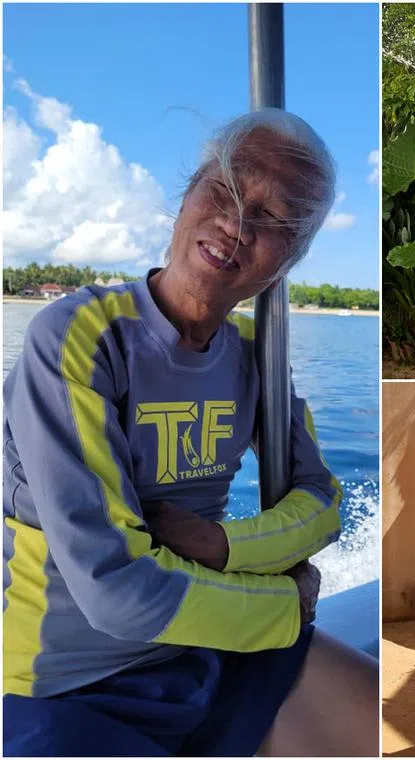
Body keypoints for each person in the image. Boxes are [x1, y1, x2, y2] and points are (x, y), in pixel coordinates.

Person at [2, 109, 378, 756]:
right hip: (62, 684)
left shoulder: (257, 355)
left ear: (290, 260)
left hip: (210, 647)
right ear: (188, 193)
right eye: (225, 188)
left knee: (378, 718)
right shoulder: (80, 339)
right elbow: (115, 592)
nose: (237, 222)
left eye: (276, 218)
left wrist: (220, 546)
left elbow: (323, 504)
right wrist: (285, 605)